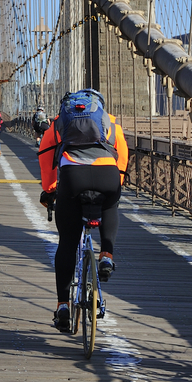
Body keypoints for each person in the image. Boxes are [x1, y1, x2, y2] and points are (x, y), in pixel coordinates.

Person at [37, 89, 128, 332]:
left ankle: (63, 305)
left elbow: (46, 158)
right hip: (107, 174)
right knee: (110, 204)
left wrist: (49, 190)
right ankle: (106, 255)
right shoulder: (110, 122)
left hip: (72, 177)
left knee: (67, 242)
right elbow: (122, 155)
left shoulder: (58, 124)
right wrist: (116, 182)